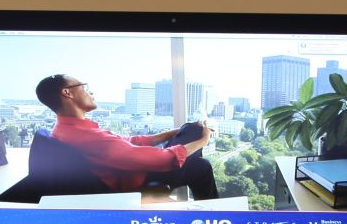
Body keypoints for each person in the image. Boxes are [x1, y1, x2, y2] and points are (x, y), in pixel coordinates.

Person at [34, 74, 219, 200]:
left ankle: (208, 211)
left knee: (190, 132)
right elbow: (163, 159)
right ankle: (214, 217)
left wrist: (172, 133)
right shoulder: (86, 136)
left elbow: (125, 142)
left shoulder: (66, 129)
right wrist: (203, 140)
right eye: (83, 87)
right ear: (67, 93)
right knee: (200, 163)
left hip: (127, 171)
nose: (90, 92)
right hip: (135, 180)